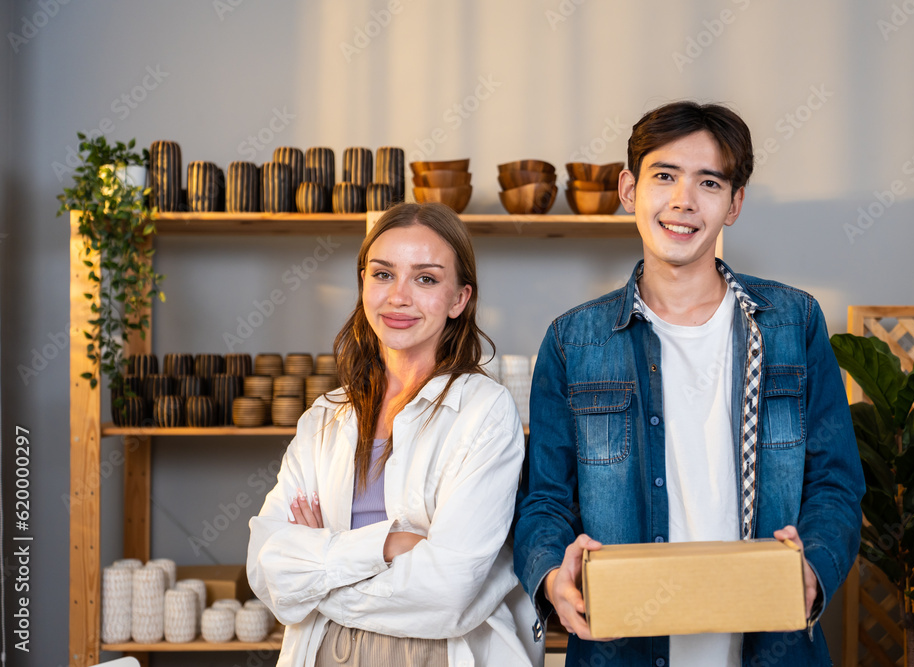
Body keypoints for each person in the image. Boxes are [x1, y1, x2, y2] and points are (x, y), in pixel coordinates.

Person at [513, 101, 865, 666]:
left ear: (734, 204)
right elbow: (546, 501)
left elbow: (835, 483)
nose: (683, 200)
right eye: (664, 176)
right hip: (622, 648)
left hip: (771, 649)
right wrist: (553, 573)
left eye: (709, 182)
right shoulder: (572, 341)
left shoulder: (792, 323)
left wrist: (813, 567)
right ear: (629, 189)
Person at [248, 202, 542, 667]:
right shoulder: (324, 417)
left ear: (459, 299)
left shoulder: (483, 411)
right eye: (383, 274)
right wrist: (387, 544)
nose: (398, 297)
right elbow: (267, 568)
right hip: (321, 652)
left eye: (425, 279)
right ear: (363, 282)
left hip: (436, 656)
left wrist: (317, 573)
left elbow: (447, 592)